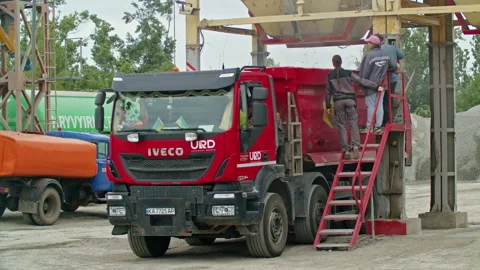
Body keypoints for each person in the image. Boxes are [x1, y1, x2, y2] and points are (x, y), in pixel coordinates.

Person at [326, 55, 383, 160]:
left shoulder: (330, 75)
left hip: (338, 103)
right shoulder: (348, 73)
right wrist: (375, 86)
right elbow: (361, 81)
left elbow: (328, 92)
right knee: (353, 124)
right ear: (341, 62)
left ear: (333, 63)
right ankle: (355, 146)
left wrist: (328, 106)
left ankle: (346, 150)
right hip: (350, 101)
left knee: (342, 126)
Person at [358, 35, 397, 134]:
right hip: (382, 85)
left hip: (370, 85)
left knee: (370, 106)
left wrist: (361, 84)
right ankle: (378, 126)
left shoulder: (369, 56)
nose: (367, 44)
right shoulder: (386, 55)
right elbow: (393, 67)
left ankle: (369, 127)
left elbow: (364, 73)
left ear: (373, 44)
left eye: (369, 43)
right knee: (379, 105)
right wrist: (385, 70)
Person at [376, 33, 404, 126]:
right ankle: (388, 120)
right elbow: (401, 55)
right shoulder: (392, 48)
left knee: (381, 100)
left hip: (381, 78)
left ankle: (384, 121)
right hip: (393, 78)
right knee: (388, 99)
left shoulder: (376, 50)